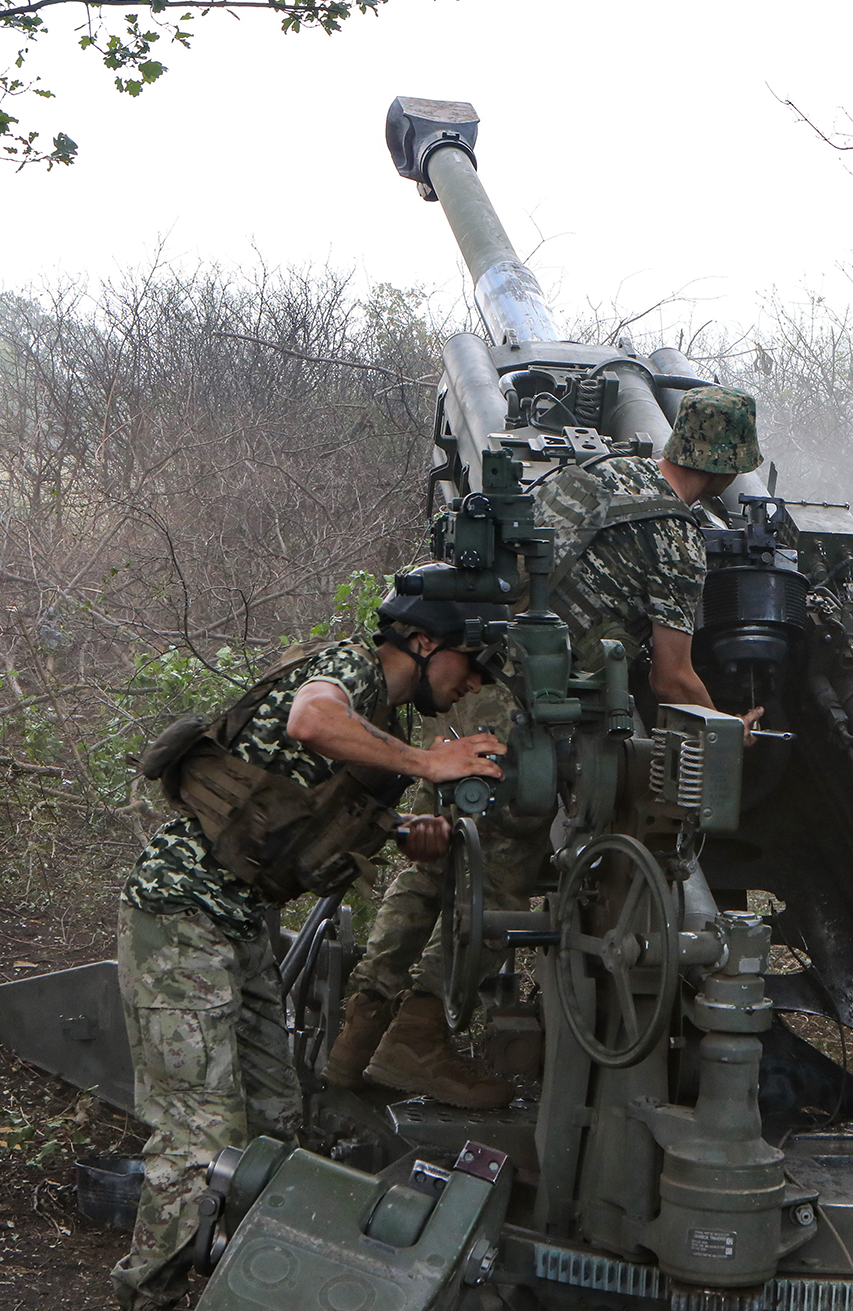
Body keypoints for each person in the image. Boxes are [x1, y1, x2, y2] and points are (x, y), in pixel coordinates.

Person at [327, 384, 766, 1098]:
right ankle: (418, 1034)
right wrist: (724, 731)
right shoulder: (679, 538)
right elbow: (674, 675)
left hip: (484, 686)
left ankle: (353, 1036)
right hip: (539, 719)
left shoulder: (593, 475)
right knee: (499, 872)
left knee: (435, 857)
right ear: (725, 470)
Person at [111, 580, 507, 1311]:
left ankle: (250, 1278)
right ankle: (150, 1295)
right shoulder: (351, 671)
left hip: (240, 920)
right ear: (423, 642)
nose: (475, 680)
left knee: (273, 1119)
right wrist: (429, 763)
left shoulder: (380, 721)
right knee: (199, 1135)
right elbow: (309, 720)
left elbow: (301, 804)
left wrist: (406, 835)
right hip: (182, 912)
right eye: (471, 660)